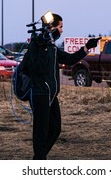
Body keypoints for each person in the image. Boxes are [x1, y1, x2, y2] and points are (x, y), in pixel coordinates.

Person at [26, 13, 99, 160]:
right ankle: (39, 160)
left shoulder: (52, 47)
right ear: (51, 28)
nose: (62, 30)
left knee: (55, 128)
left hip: (52, 95)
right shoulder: (36, 45)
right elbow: (36, 68)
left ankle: (39, 157)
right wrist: (43, 46)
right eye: (60, 27)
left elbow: (69, 59)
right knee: (41, 131)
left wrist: (86, 47)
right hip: (40, 94)